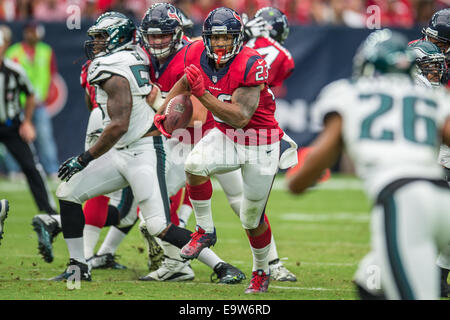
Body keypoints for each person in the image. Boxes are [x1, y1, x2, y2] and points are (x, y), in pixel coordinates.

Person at [52, 11, 234, 282]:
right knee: (67, 192)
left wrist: (84, 158)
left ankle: (221, 266)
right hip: (124, 150)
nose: (97, 42)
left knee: (158, 225)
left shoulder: (112, 66)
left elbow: (119, 125)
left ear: (117, 38)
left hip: (144, 150)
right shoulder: (136, 55)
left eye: (102, 36)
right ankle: (79, 266)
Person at [287, 29, 450, 300]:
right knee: (370, 280)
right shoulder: (434, 97)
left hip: (403, 201)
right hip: (443, 200)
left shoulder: (348, 92)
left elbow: (323, 152)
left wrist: (297, 181)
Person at [154, 7, 298, 294]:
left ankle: (261, 270)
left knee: (251, 218)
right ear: (207, 38)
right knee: (194, 165)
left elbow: (241, 116)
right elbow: (185, 80)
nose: (220, 44)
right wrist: (164, 108)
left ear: (238, 38)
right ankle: (205, 230)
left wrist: (203, 94)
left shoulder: (251, 62)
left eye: (226, 38)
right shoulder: (196, 52)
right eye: (216, 38)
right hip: (227, 136)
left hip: (260, 142)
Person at [129, 3, 246, 283]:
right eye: (152, 36)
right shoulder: (143, 56)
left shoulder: (192, 53)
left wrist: (160, 103)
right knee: (152, 217)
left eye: (163, 35)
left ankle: (248, 264)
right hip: (170, 144)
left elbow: (197, 116)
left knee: (155, 217)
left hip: (196, 142)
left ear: (178, 32)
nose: (157, 42)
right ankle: (181, 264)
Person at [242, 7, 297, 281]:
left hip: (224, 125)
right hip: (244, 131)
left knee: (244, 205)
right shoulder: (279, 55)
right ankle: (270, 265)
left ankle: (270, 264)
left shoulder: (238, 38)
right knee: (251, 209)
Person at [0, 28, 60, 259]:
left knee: (32, 168)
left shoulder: (14, 70)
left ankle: (51, 216)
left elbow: (31, 93)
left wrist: (26, 122)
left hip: (11, 125)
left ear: (5, 47)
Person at [408, 39, 450, 298]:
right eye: (430, 67)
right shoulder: (417, 90)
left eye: (438, 67)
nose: (437, 72)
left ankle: (436, 276)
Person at [6, 21, 60, 178]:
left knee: (44, 136)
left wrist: (46, 93)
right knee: (14, 136)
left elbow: (52, 74)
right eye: (29, 31)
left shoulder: (46, 51)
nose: (31, 34)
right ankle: (15, 170)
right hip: (18, 102)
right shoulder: (14, 52)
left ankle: (51, 169)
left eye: (34, 31)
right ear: (24, 33)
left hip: (39, 103)